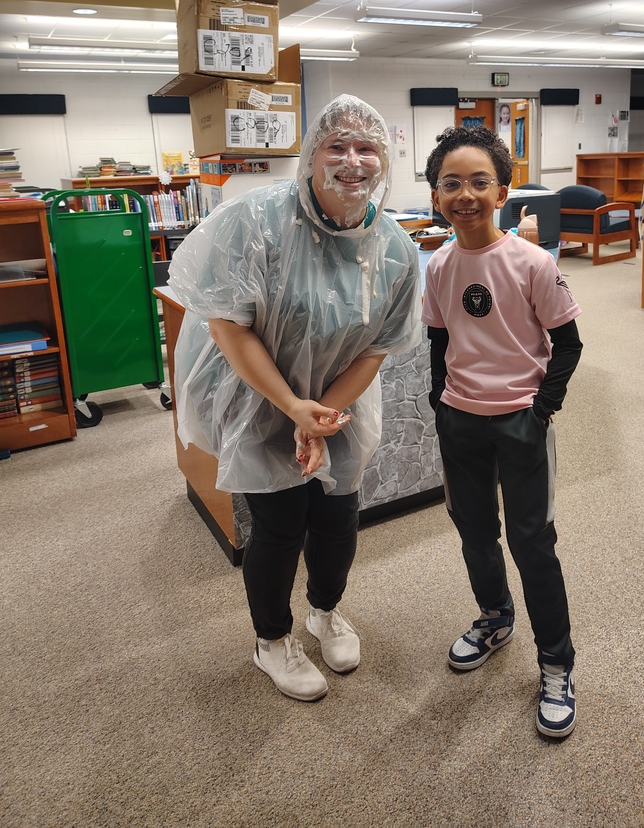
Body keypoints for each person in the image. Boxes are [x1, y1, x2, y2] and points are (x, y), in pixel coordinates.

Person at [168, 94, 422, 703]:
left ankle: (323, 613)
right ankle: (271, 640)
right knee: (279, 527)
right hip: (256, 396)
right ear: (312, 155)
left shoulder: (394, 248)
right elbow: (228, 325)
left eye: (367, 148)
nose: (352, 161)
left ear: (384, 160)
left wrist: (322, 416)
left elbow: (380, 345)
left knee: (337, 519)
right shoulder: (254, 220)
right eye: (337, 146)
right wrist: (291, 408)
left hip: (338, 405)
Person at [421, 124, 583, 738]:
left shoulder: (531, 261)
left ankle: (556, 665)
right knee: (474, 530)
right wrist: (440, 404)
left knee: (531, 541)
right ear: (437, 196)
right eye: (451, 183)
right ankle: (494, 616)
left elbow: (567, 343)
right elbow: (439, 342)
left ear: (504, 191)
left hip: (520, 420)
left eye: (478, 182)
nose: (465, 194)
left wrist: (541, 409)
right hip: (460, 418)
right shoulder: (438, 265)